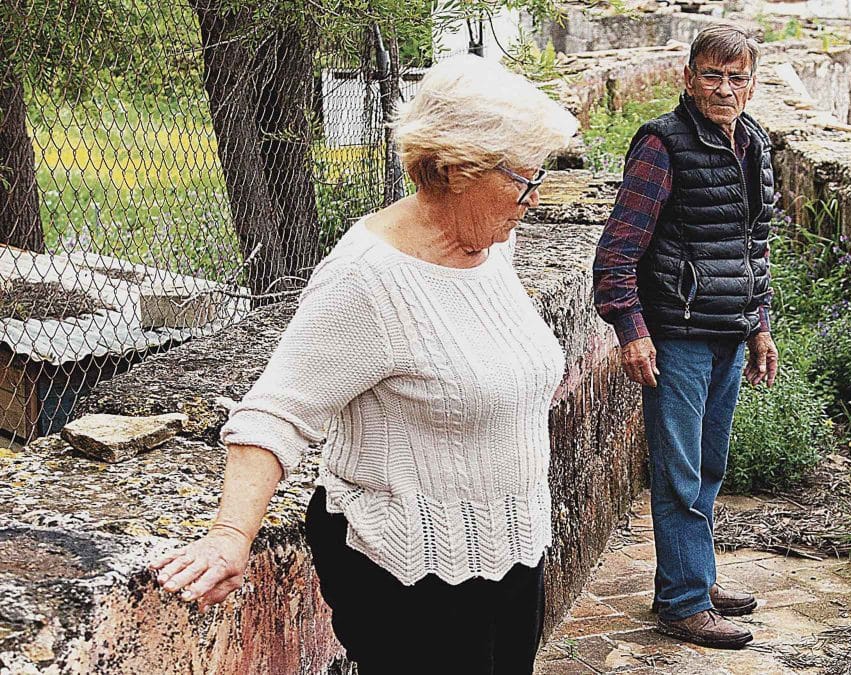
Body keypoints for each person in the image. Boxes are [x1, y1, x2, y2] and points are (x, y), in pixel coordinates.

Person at [151, 55, 578, 674]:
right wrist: (229, 537)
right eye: (525, 180)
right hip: (408, 567)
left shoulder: (490, 244)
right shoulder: (367, 280)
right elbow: (277, 412)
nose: (533, 200)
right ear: (460, 170)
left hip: (510, 543)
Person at [592, 24, 779, 650]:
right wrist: (632, 331)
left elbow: (754, 247)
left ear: (752, 85)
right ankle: (681, 603)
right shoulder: (662, 145)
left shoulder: (753, 142)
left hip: (727, 330)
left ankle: (694, 576)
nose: (724, 89)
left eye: (737, 77)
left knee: (708, 466)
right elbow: (618, 252)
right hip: (677, 336)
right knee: (677, 473)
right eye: (712, 75)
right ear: (688, 78)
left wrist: (760, 326)